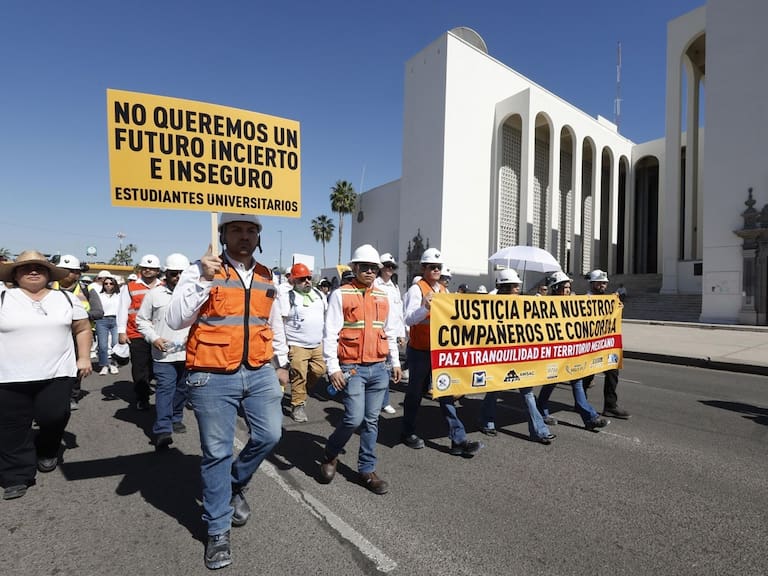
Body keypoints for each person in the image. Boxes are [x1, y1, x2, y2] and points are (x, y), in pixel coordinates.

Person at [166, 213, 289, 571]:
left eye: (251, 230)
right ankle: (218, 528)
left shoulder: (268, 274)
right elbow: (175, 319)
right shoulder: (199, 269)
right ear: (222, 235)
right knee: (216, 452)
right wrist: (203, 280)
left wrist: (280, 362)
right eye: (236, 230)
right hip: (211, 374)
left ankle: (233, 484)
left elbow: (273, 319)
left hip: (260, 369)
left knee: (270, 434)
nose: (245, 236)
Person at [0, 251, 92, 500]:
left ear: (49, 273)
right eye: (26, 268)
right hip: (9, 376)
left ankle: (47, 448)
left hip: (57, 373)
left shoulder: (65, 299)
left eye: (39, 268)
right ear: (15, 274)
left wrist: (83, 357)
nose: (32, 271)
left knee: (54, 416)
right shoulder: (3, 297)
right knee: (12, 428)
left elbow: (82, 328)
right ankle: (16, 476)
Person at [319, 244, 401, 494]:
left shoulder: (384, 296)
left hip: (378, 368)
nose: (368, 271)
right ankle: (331, 452)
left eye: (373, 268)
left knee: (372, 421)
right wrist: (332, 367)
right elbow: (330, 333)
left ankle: (367, 469)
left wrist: (395, 362)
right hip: (352, 368)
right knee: (353, 418)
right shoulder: (341, 294)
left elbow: (389, 331)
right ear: (354, 268)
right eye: (363, 267)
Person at [401, 248, 481, 456]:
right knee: (415, 394)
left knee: (446, 392)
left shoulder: (443, 292)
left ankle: (458, 439)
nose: (436, 270)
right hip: (420, 351)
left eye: (438, 267)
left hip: (440, 352)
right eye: (432, 267)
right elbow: (408, 319)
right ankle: (407, 431)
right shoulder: (416, 290)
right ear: (424, 268)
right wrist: (426, 308)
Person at [480, 268, 556, 444]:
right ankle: (487, 421)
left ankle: (540, 431)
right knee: (493, 390)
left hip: (519, 357)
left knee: (528, 393)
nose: (517, 290)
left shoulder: (521, 303)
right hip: (498, 356)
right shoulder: (489, 303)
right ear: (505, 287)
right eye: (514, 287)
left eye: (517, 287)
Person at [536, 271, 609, 431]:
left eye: (569, 287)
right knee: (551, 382)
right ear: (556, 288)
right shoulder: (546, 305)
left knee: (577, 382)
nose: (568, 290)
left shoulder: (572, 303)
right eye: (565, 287)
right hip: (554, 353)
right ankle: (541, 409)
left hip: (570, 352)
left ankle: (590, 418)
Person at [136, 253, 191, 450]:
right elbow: (141, 320)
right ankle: (162, 430)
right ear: (166, 274)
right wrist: (154, 338)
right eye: (173, 273)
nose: (177, 277)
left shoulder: (194, 295)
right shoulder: (154, 295)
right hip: (163, 354)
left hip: (188, 354)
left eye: (181, 274)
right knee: (165, 389)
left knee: (182, 389)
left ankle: (176, 417)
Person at [54, 255, 104, 410]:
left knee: (75, 367)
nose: (69, 274)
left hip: (79, 336)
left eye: (73, 271)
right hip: (54, 335)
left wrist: (79, 317)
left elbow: (99, 312)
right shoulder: (47, 288)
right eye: (65, 270)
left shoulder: (86, 290)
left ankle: (72, 395)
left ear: (78, 274)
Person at [280, 262, 327, 422]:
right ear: (293, 281)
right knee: (299, 375)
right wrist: (283, 345)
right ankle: (298, 405)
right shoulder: (287, 297)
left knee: (320, 371)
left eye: (308, 278)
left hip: (317, 343)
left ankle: (301, 388)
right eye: (301, 279)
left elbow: (326, 316)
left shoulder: (319, 295)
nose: (306, 281)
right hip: (297, 344)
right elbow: (280, 321)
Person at [582, 269, 631, 419]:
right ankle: (581, 402)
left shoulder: (608, 299)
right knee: (587, 375)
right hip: (590, 345)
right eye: (600, 283)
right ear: (592, 283)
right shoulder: (584, 299)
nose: (603, 285)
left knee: (612, 372)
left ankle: (610, 406)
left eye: (605, 283)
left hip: (606, 345)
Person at [117, 254, 161, 411]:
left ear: (158, 270)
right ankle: (142, 397)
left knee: (154, 366)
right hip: (136, 333)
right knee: (139, 366)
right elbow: (122, 310)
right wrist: (121, 331)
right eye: (145, 268)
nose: (148, 270)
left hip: (158, 333)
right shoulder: (129, 287)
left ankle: (148, 385)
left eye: (152, 268)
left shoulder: (163, 286)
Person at [374, 252, 405, 414]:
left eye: (392, 267)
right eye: (387, 266)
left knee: (386, 369)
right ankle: (375, 400)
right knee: (378, 369)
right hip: (377, 333)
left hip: (391, 334)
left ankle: (384, 401)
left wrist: (401, 333)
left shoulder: (395, 286)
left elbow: (398, 312)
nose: (390, 269)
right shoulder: (375, 284)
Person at [95, 274, 120, 375]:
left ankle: (113, 363)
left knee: (115, 343)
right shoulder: (99, 295)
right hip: (102, 320)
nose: (108, 285)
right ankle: (104, 365)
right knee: (102, 345)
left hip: (116, 320)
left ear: (115, 285)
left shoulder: (119, 295)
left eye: (111, 283)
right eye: (106, 283)